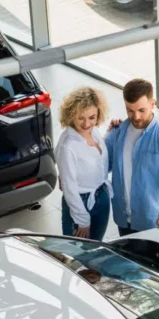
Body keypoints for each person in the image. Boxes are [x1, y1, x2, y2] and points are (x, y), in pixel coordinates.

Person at [106, 78, 159, 236]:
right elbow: (102, 166)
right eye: (130, 110)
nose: (136, 116)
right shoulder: (117, 132)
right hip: (122, 219)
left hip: (152, 221)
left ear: (153, 104)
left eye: (142, 110)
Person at [55, 86, 112, 240]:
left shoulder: (94, 132)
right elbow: (69, 186)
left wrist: (111, 132)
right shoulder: (68, 145)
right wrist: (82, 220)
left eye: (92, 117)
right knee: (76, 251)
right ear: (71, 115)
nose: (87, 123)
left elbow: (96, 159)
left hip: (101, 195)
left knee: (97, 246)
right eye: (81, 118)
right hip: (80, 203)